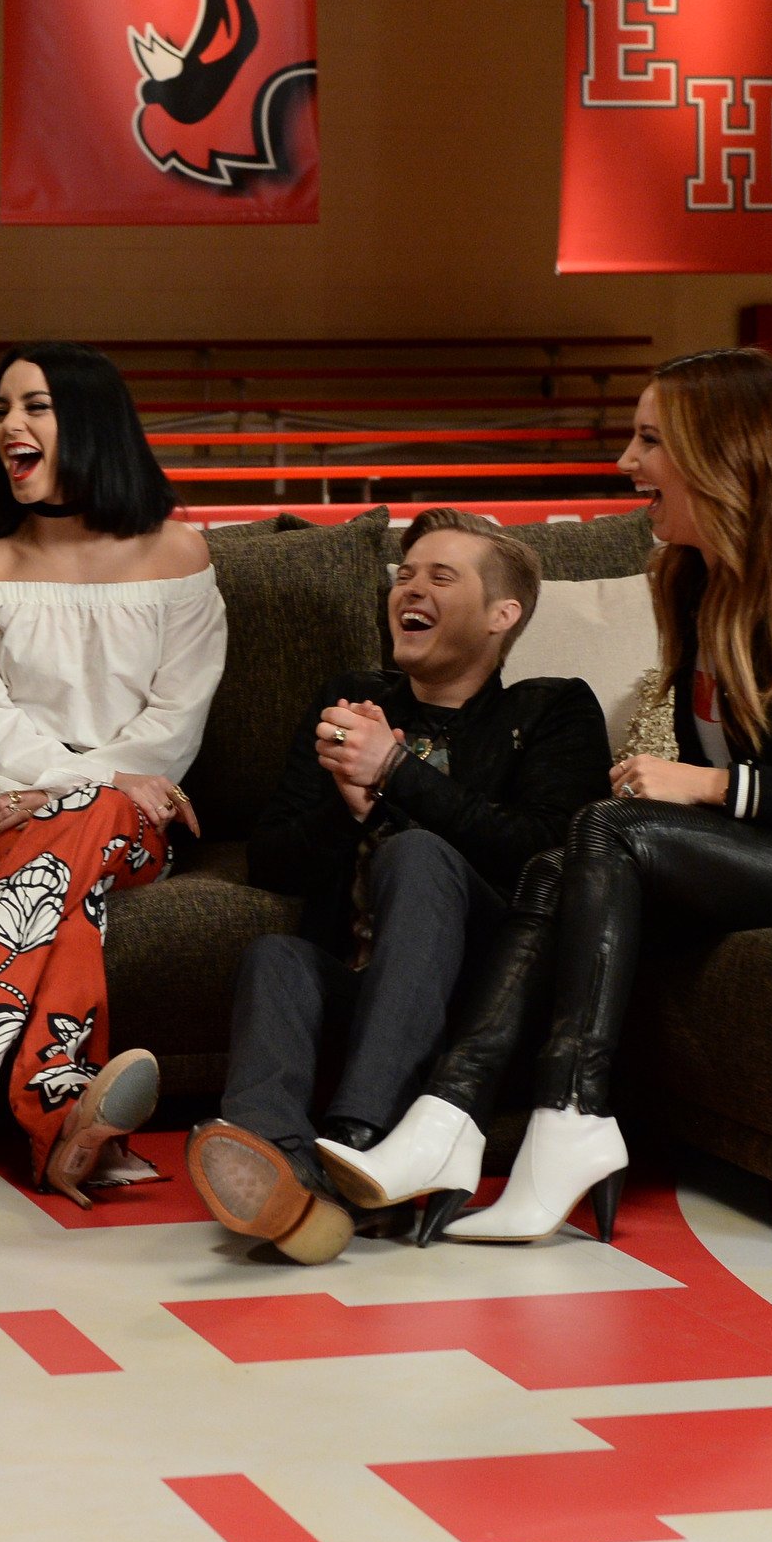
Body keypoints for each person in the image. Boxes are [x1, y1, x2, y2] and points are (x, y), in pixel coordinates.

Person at [325, 347, 772, 1246]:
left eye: (651, 440)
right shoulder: (695, 581)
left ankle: (555, 1115)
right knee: (570, 845)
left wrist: (718, 785)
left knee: (606, 830)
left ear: (724, 454)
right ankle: (453, 1119)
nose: (626, 463)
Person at [185, 509, 611, 1262]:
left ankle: (362, 1140)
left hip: (478, 1002)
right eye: (404, 574)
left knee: (418, 855)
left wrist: (395, 773)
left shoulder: (551, 708)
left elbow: (546, 852)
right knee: (275, 960)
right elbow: (269, 858)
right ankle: (279, 1169)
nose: (408, 587)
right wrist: (350, 812)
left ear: (501, 615)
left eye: (440, 576)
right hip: (365, 983)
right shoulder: (351, 698)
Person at [0, 342, 227, 1204]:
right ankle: (66, 1117)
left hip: (136, 814)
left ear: (93, 421)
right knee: (68, 890)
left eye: (33, 406)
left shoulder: (179, 557)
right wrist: (63, 789)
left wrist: (76, 792)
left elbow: (174, 723)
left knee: (80, 832)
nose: (8, 427)